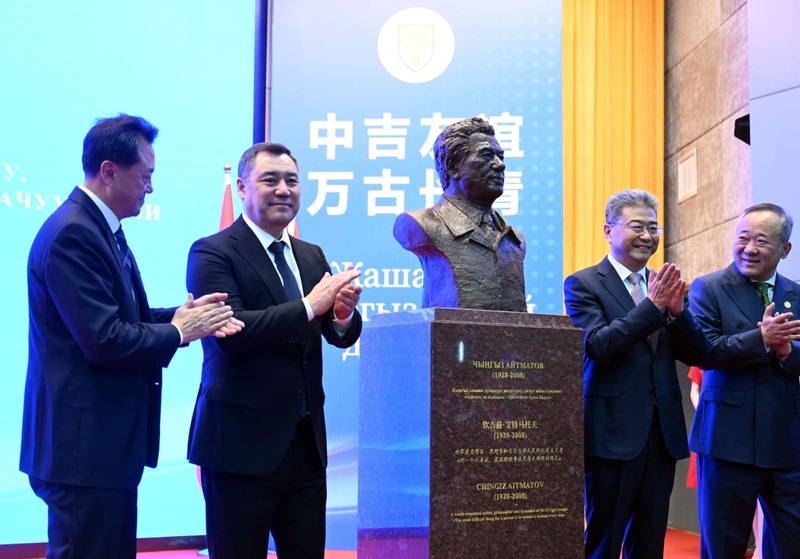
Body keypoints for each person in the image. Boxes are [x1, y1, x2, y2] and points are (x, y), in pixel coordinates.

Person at [20, 114, 243, 559]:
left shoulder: (98, 227)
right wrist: (178, 331)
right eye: (146, 176)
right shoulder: (73, 233)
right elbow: (103, 339)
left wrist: (179, 315)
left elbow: (123, 315)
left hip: (100, 452)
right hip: (82, 453)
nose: (151, 188)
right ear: (109, 172)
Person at [186, 142, 363, 559]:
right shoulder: (212, 251)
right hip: (238, 446)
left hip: (305, 445)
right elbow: (231, 332)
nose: (283, 189)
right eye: (270, 180)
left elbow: (335, 333)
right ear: (242, 188)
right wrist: (310, 306)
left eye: (292, 181)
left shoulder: (311, 255)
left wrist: (341, 315)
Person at [563, 189, 708, 559]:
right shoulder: (583, 284)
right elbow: (599, 345)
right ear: (608, 231)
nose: (647, 236)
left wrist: (678, 313)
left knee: (650, 539)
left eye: (653, 228)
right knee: (605, 537)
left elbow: (699, 354)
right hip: (611, 434)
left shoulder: (664, 285)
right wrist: (653, 306)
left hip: (661, 435)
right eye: (637, 227)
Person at [688, 202, 800, 559]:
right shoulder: (709, 288)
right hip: (727, 442)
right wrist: (761, 340)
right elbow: (704, 350)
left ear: (784, 249)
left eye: (762, 241)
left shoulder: (796, 294)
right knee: (723, 547)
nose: (749, 248)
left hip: (786, 443)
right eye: (743, 238)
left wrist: (786, 351)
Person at [393, 117, 526, 311]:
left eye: (501, 157)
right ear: (453, 166)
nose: (500, 165)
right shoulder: (421, 224)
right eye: (486, 155)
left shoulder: (514, 240)